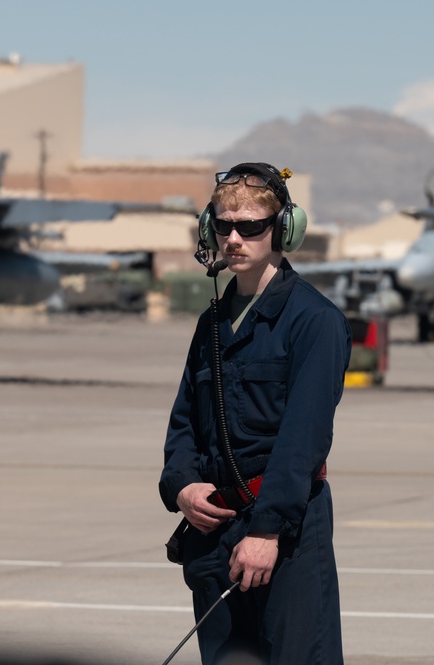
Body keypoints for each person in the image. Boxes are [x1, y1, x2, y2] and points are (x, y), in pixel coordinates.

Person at [159, 162, 351, 664]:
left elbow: (303, 440)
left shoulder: (315, 321)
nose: (235, 238)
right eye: (223, 226)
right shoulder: (213, 323)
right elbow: (184, 420)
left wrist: (267, 532)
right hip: (214, 531)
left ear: (283, 229)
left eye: (251, 227)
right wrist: (182, 485)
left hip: (284, 533)